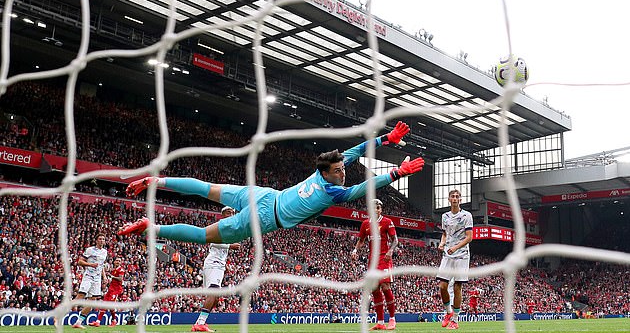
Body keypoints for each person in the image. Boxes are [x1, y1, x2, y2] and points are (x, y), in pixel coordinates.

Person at [119, 121, 424, 245]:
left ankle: (156, 180)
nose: (343, 171)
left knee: (207, 187)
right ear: (329, 173)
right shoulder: (333, 191)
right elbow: (363, 189)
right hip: (266, 215)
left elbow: (355, 151)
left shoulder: (323, 171)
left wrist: (387, 138)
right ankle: (152, 226)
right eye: (339, 169)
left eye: (342, 167)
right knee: (202, 235)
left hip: (265, 194)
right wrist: (396, 173)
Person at [351, 198, 398, 331]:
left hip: (384, 258)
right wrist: (355, 250)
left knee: (385, 286)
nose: (376, 210)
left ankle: (392, 319)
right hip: (372, 260)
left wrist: (390, 251)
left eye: (378, 208)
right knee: (375, 289)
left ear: (380, 209)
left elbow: (395, 240)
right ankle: (380, 322)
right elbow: (361, 240)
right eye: (373, 208)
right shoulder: (365, 224)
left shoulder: (387, 222)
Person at [192, 206, 241, 332]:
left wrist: (225, 265)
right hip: (214, 263)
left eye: (232, 212)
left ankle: (200, 322)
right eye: (229, 212)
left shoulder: (228, 228)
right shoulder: (219, 226)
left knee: (216, 297)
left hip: (218, 265)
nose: (231, 214)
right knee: (213, 293)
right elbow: (212, 241)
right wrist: (230, 246)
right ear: (223, 214)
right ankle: (200, 323)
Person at [436, 189, 473, 330]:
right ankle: (448, 312)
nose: (455, 198)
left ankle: (455, 320)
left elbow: (469, 237)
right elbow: (445, 234)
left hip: (462, 254)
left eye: (457, 196)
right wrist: (442, 243)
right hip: (448, 253)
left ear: (460, 200)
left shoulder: (466, 215)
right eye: (453, 196)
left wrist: (456, 247)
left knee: (458, 287)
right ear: (449, 199)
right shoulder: (445, 216)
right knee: (442, 286)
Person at [72, 234, 108, 329]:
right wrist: (90, 264)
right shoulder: (90, 250)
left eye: (103, 239)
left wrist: (104, 276)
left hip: (97, 279)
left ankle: (78, 322)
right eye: (100, 239)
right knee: (80, 296)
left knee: (92, 302)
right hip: (88, 276)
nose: (101, 240)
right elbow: (80, 262)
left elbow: (101, 265)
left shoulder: (105, 252)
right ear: (96, 240)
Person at [91, 257, 125, 327]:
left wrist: (111, 276)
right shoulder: (113, 269)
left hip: (116, 290)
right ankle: (100, 322)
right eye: (117, 260)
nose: (118, 262)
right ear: (114, 261)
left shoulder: (121, 270)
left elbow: (120, 279)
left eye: (119, 261)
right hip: (111, 289)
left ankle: (101, 321)